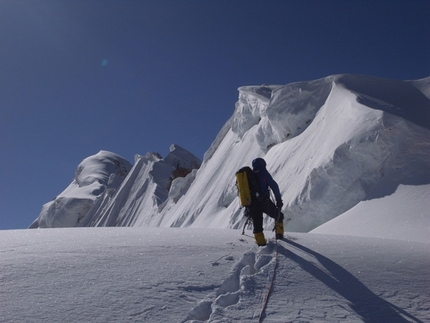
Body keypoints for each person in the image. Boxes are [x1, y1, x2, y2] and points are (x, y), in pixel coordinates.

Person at [247, 157, 284, 246]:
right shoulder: (264, 173)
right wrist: (278, 200)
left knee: (257, 224)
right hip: (264, 202)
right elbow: (274, 186)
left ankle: (261, 243)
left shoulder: (249, 176)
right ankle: (279, 235)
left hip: (252, 204)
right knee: (279, 215)